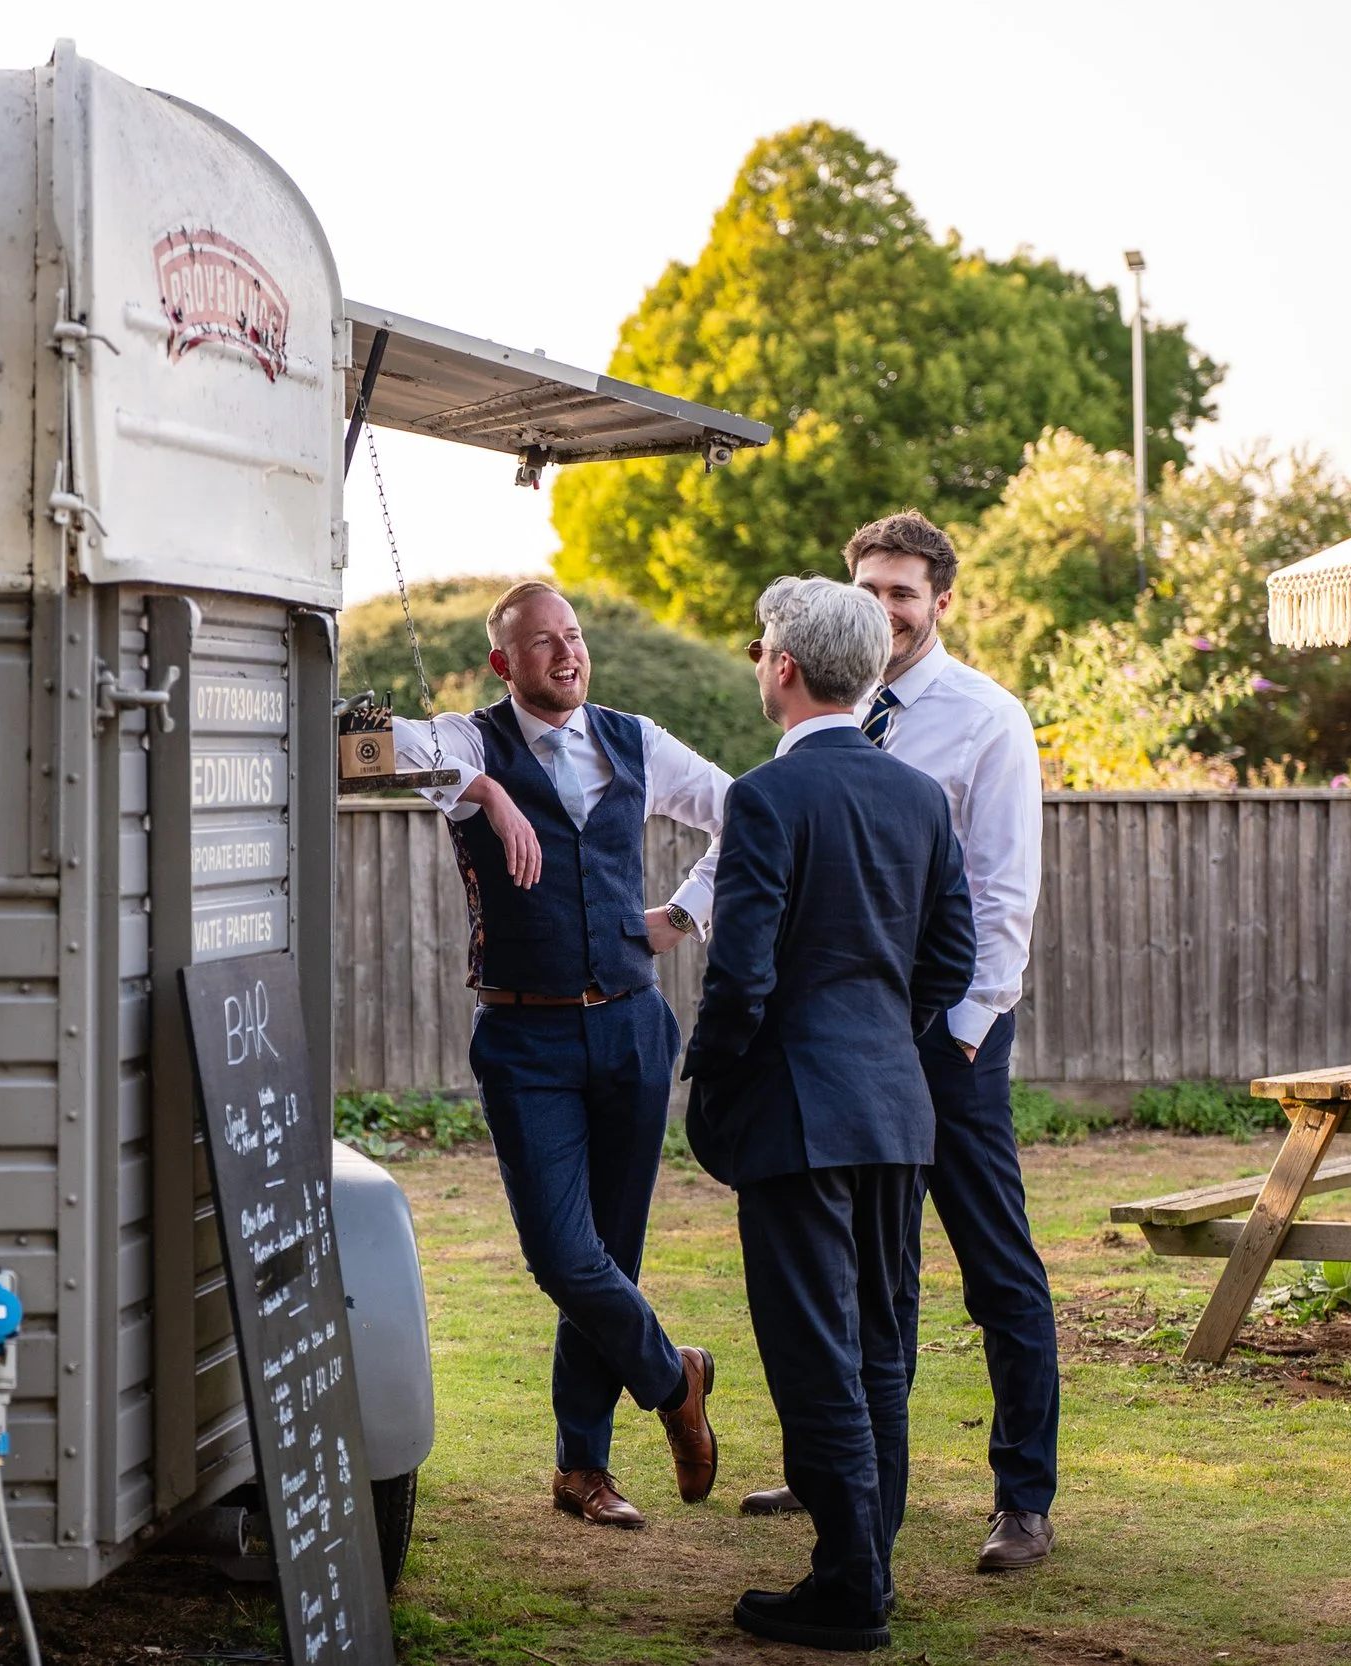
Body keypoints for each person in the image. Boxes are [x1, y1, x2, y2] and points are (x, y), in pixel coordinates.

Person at [739, 510, 1059, 1570]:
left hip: (952, 1039)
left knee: (993, 1266)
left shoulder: (985, 719)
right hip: (854, 1046)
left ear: (941, 601)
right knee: (859, 1272)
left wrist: (960, 1030)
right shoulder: (827, 705)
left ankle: (1022, 1496)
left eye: (902, 592)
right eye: (868, 589)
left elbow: (1004, 895)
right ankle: (843, 1466)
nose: (884, 608)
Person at [389, 579, 728, 1531]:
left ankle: (582, 1468)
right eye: (542, 644)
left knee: (610, 1255)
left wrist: (685, 915)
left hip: (630, 1024)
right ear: (505, 663)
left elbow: (748, 816)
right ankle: (676, 1378)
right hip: (525, 1035)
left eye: (573, 637)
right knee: (562, 1255)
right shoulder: (467, 739)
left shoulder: (635, 739)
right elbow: (363, 748)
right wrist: (486, 791)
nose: (566, 654)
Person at [683, 576, 975, 1651]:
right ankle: (868, 1568)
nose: (759, 662)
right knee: (882, 1349)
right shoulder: (918, 798)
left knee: (816, 1353)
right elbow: (952, 955)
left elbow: (743, 974)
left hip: (799, 1114)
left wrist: (708, 1072)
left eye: (763, 649)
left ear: (787, 667)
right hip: (895, 1109)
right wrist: (881, 1042)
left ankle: (850, 1588)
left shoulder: (763, 797)